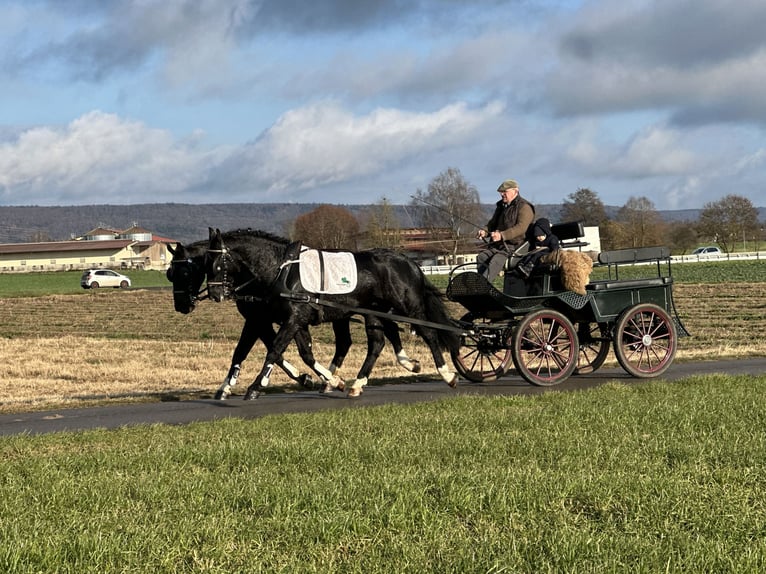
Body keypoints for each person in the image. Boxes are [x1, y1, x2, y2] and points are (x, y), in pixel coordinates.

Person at [476, 179, 535, 281]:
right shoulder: (501, 207)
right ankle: (481, 285)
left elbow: (521, 228)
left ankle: (483, 287)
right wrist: (485, 232)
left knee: (496, 261)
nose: (502, 194)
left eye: (505, 192)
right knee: (481, 257)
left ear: (515, 191)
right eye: (501, 193)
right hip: (500, 246)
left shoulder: (525, 207)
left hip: (516, 247)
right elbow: (492, 224)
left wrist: (502, 235)